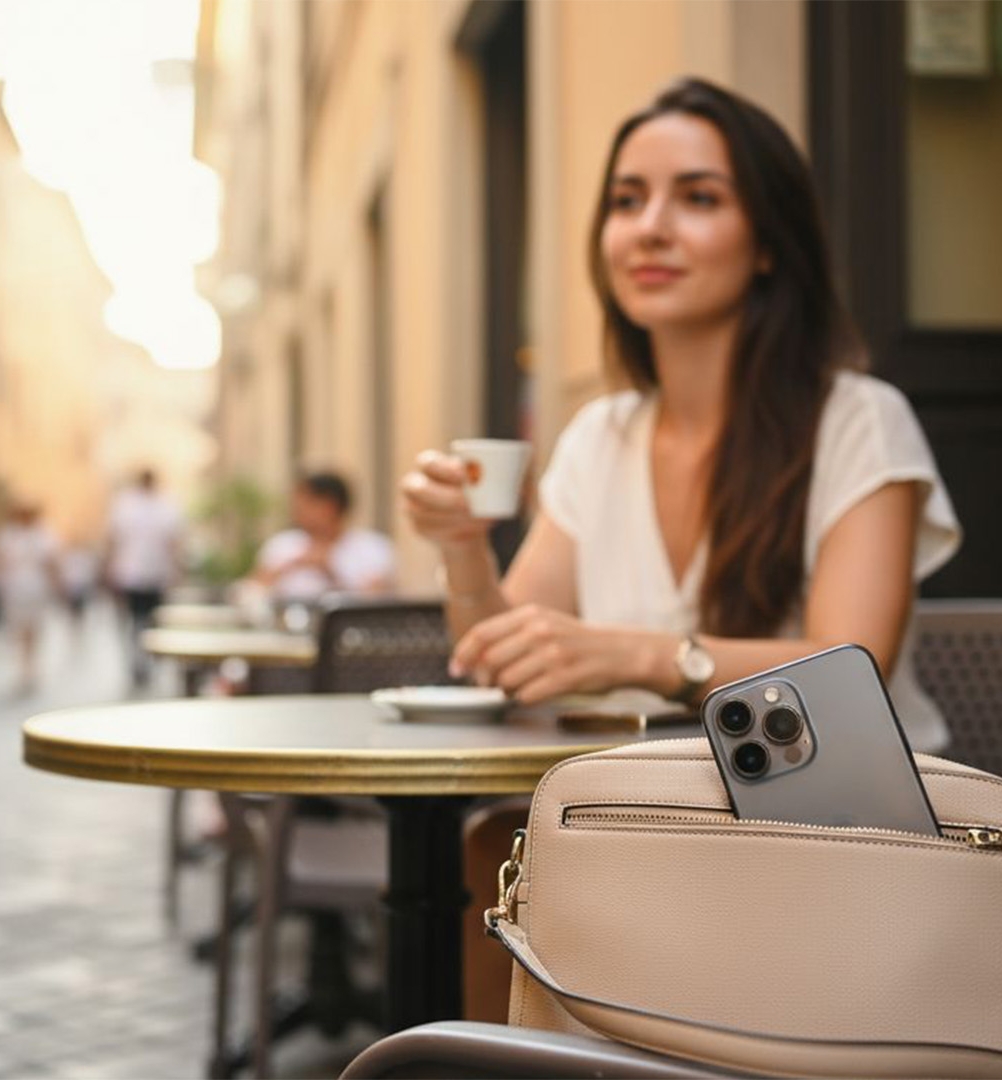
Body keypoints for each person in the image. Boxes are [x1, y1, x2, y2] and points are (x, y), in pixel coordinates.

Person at [400, 77, 962, 1017]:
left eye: (697, 198)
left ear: (771, 243)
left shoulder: (859, 421)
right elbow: (506, 654)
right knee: (499, 842)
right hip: (665, 817)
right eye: (627, 201)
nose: (650, 228)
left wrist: (642, 655)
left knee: (516, 848)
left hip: (845, 831)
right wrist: (463, 548)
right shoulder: (600, 435)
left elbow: (851, 669)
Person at [248, 471, 396, 602]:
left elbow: (377, 600)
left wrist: (331, 571)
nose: (297, 509)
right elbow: (250, 593)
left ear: (330, 506)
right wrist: (286, 567)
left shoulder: (372, 547)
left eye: (306, 502)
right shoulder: (282, 545)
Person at [104, 468, 184, 689]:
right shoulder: (129, 503)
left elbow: (173, 540)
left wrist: (176, 567)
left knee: (146, 620)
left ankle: (143, 660)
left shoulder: (161, 504)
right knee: (139, 620)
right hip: (134, 572)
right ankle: (140, 661)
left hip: (151, 572)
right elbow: (114, 537)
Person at [0, 502, 62, 696]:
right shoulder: (9, 535)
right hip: (16, 590)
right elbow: (2, 562)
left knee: (33, 629)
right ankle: (25, 668)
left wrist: (57, 585)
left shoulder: (43, 534)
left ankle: (30, 668)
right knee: (20, 629)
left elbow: (51, 562)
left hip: (35, 590)